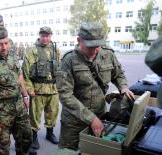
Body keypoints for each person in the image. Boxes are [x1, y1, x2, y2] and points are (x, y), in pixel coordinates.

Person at [56, 22, 134, 151]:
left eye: (98, 45)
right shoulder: (69, 60)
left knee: (94, 151)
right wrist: (91, 118)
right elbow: (65, 95)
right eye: (90, 46)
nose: (95, 50)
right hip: (73, 123)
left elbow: (118, 75)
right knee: (68, 152)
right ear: (79, 40)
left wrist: (123, 87)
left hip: (100, 116)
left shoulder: (108, 55)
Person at [0, 26, 32, 155]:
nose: (4, 47)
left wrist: (25, 96)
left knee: (26, 138)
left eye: (6, 43)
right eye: (0, 45)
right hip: (0, 111)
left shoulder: (12, 54)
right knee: (2, 147)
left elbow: (19, 74)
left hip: (19, 105)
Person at [22, 26, 61, 151]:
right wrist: (29, 88)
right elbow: (25, 71)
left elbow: (60, 69)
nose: (45, 38)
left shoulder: (56, 50)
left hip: (53, 89)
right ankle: (34, 137)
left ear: (51, 36)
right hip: (37, 89)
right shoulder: (32, 50)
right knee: (35, 115)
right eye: (43, 35)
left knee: (52, 113)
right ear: (39, 35)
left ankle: (50, 133)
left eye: (48, 35)